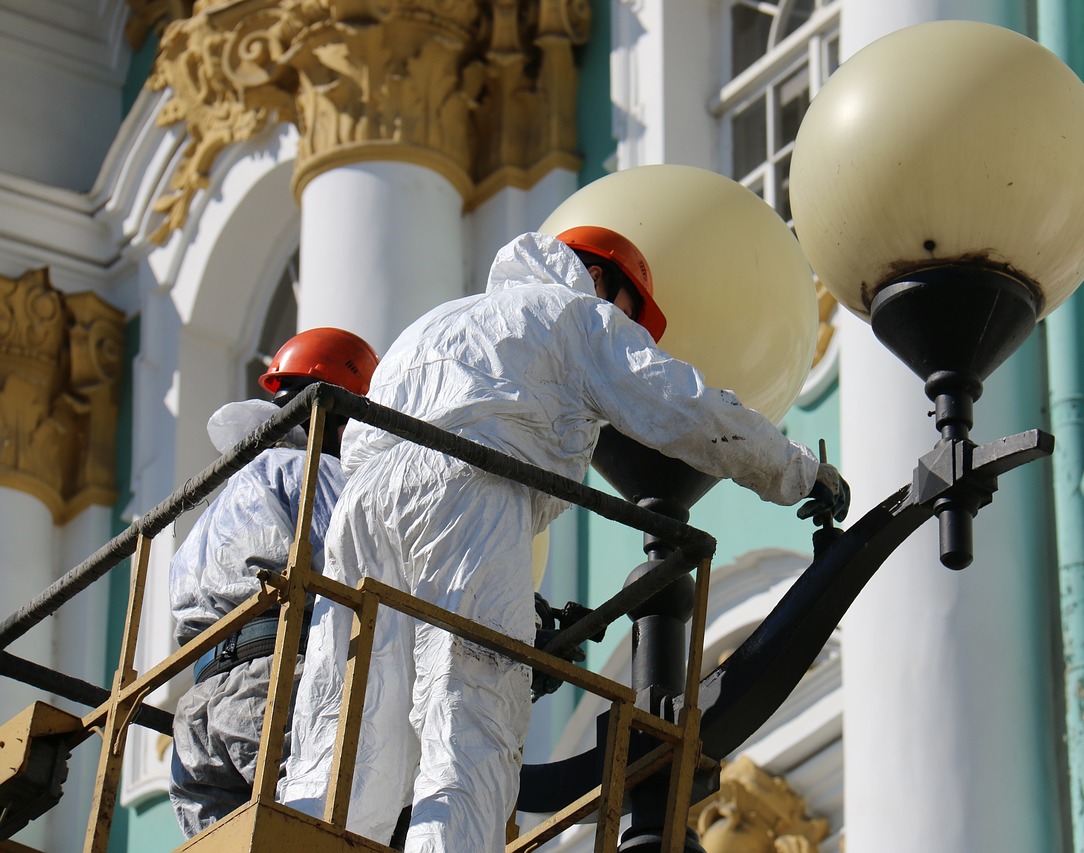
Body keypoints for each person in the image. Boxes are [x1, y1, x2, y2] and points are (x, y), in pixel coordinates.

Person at [278, 228, 850, 851]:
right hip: (468, 485)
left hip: (359, 511)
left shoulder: (435, 324)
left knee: (346, 719)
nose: (624, 322)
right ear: (603, 279)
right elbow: (683, 407)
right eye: (630, 311)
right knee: (470, 708)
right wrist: (798, 472)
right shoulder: (572, 314)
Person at [167, 327, 379, 838]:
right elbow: (363, 568)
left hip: (198, 714)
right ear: (341, 416)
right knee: (318, 831)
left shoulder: (219, 504)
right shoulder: (311, 475)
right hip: (275, 682)